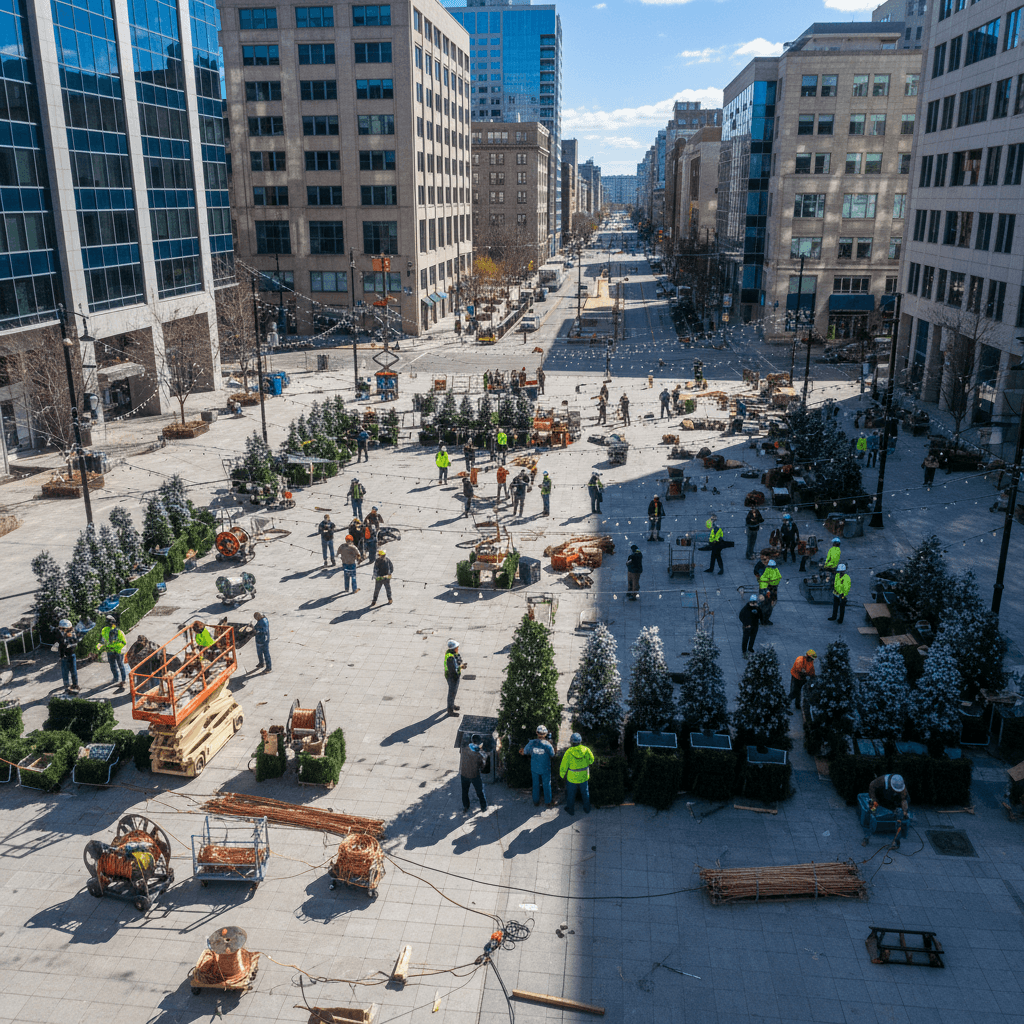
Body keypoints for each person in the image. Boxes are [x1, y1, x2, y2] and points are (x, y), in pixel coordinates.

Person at [864, 773, 910, 847]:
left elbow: (904, 799)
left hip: (893, 798)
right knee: (871, 812)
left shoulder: (902, 787)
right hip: (880, 796)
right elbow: (872, 785)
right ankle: (866, 835)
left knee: (901, 815)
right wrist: (874, 801)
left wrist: (905, 811)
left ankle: (896, 842)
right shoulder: (881, 781)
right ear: (891, 785)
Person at [520, 725, 556, 808]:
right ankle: (548, 802)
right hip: (545, 768)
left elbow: (525, 752)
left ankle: (536, 801)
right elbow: (552, 754)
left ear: (537, 733)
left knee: (535, 784)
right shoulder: (548, 745)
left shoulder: (531, 743)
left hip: (535, 768)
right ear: (546, 734)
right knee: (546, 784)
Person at [559, 733, 595, 815]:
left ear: (571, 742)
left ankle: (570, 809)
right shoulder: (586, 749)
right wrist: (587, 763)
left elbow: (564, 765)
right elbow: (592, 760)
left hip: (572, 778)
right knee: (585, 793)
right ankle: (587, 808)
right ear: (580, 741)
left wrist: (562, 774)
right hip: (584, 776)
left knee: (571, 794)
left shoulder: (568, 752)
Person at [459, 735, 488, 814]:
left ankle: (466, 806)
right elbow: (482, 766)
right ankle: (483, 806)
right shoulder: (478, 755)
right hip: (474, 775)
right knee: (479, 791)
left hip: (464, 774)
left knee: (464, 791)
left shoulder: (464, 749)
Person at [101, 615, 128, 690]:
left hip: (118, 651)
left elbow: (124, 642)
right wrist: (101, 647)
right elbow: (103, 640)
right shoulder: (104, 631)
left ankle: (123, 681)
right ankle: (116, 678)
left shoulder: (119, 632)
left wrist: (121, 649)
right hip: (110, 651)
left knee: (120, 665)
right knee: (113, 665)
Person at [53, 619, 80, 693]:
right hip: (67, 656)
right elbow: (57, 643)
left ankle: (73, 686)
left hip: (69, 655)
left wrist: (64, 643)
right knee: (69, 673)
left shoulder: (70, 635)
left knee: (70, 672)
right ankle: (70, 686)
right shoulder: (61, 634)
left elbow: (73, 644)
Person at [444, 639, 464, 716]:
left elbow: (458, 659)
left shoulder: (451, 652)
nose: (458, 648)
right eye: (457, 647)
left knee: (453, 692)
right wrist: (456, 678)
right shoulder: (450, 658)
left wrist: (460, 663)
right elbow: (453, 670)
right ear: (454, 648)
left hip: (451, 675)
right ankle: (450, 710)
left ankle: (452, 705)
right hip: (452, 677)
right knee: (452, 693)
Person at [759, 559, 781, 624]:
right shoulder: (773, 571)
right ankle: (764, 620)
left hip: (770, 591)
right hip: (770, 591)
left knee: (766, 606)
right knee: (768, 607)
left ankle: (764, 619)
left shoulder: (768, 571)